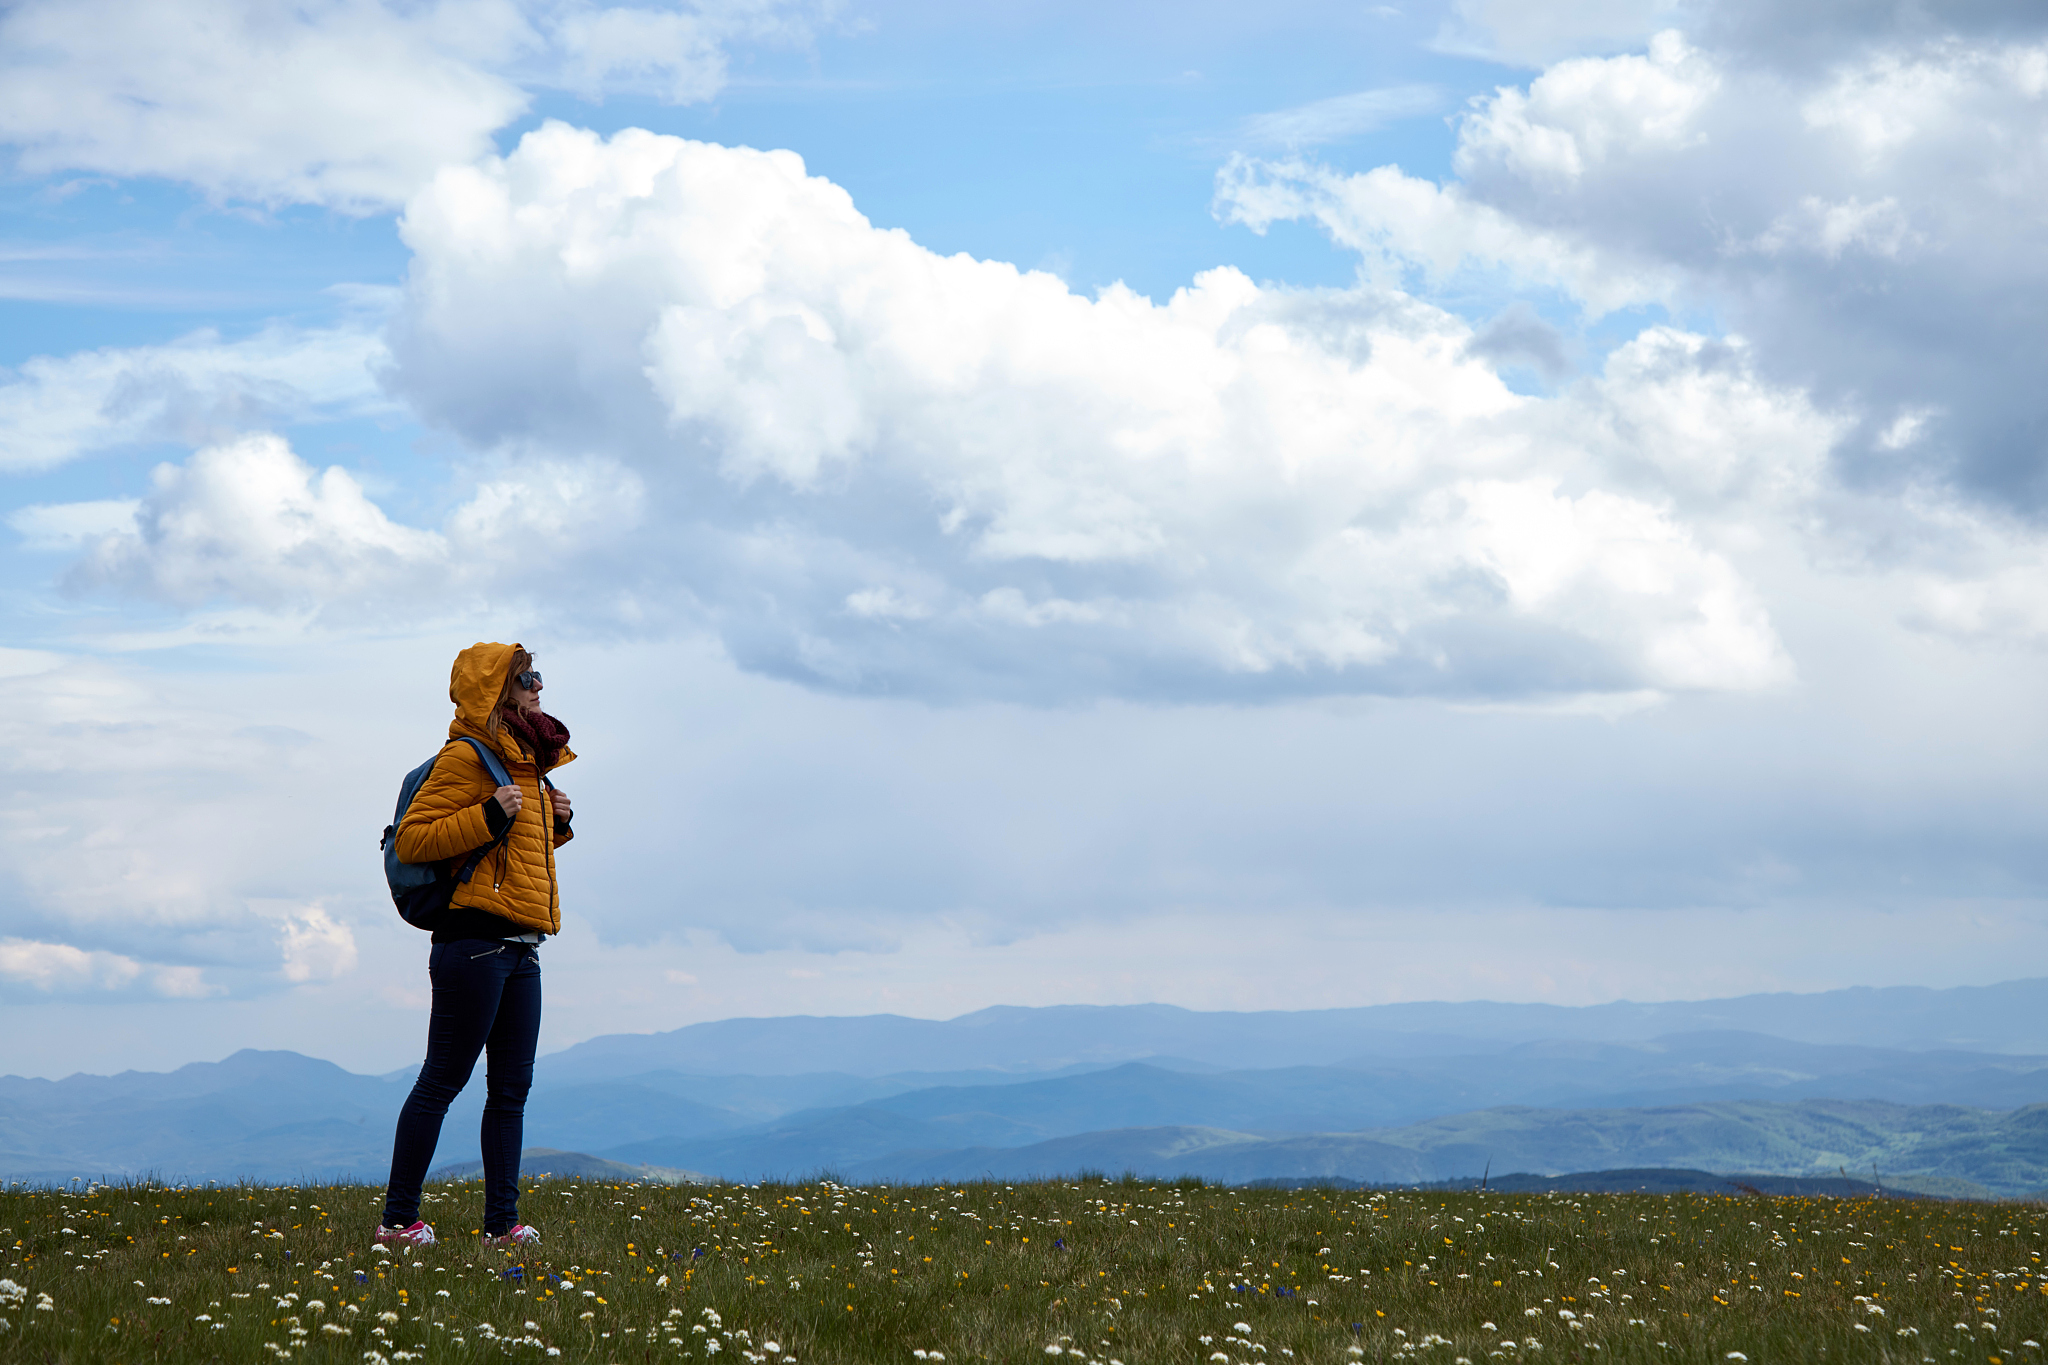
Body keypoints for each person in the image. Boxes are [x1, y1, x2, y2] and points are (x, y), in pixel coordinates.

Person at [375, 641, 576, 1248]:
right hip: (473, 945)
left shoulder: (527, 764)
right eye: (526, 679)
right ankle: (397, 1223)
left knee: (511, 1092)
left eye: (538, 677)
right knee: (442, 1081)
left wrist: (556, 822)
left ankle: (501, 1227)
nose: (539, 687)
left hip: (521, 948)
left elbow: (510, 860)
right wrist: (491, 813)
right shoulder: (467, 759)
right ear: (497, 690)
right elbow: (414, 842)